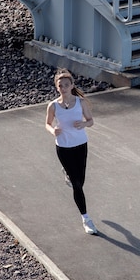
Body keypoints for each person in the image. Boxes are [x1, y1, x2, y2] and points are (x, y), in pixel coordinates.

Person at [45, 68, 98, 235]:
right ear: (57, 87)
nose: (64, 88)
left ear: (72, 85)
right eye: (60, 85)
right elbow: (47, 123)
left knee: (80, 181)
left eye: (66, 85)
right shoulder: (53, 106)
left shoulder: (80, 103)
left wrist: (83, 124)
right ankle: (86, 218)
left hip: (80, 145)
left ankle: (69, 174)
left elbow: (91, 121)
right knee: (76, 185)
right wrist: (53, 130)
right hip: (63, 147)